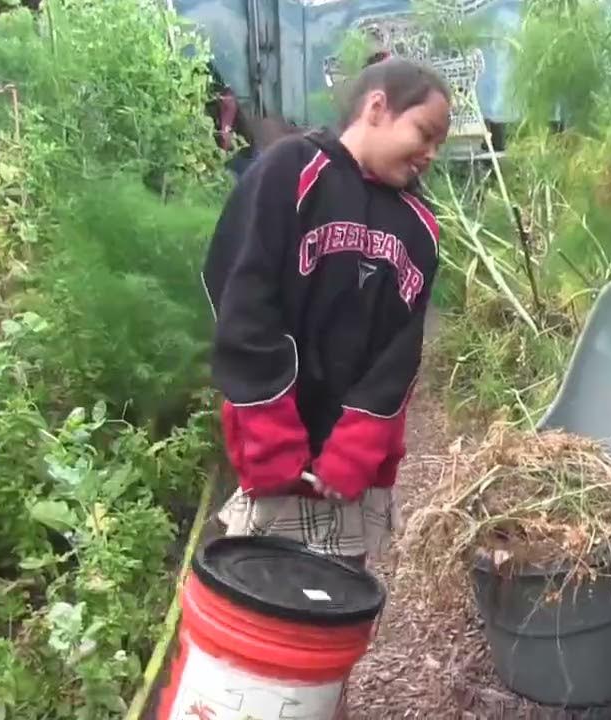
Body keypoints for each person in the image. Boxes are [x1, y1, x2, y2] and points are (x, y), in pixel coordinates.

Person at [202, 57, 451, 570]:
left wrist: (358, 448)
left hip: (347, 474)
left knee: (333, 609)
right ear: (377, 107)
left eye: (437, 145)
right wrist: (272, 434)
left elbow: (400, 355)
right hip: (274, 450)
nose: (431, 154)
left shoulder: (421, 228)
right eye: (424, 134)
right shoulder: (290, 171)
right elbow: (242, 301)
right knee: (260, 598)